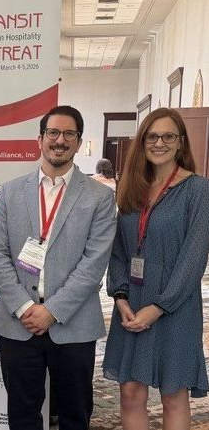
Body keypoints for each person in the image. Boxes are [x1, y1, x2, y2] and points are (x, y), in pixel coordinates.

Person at [0, 105, 116, 430]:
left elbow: (94, 264)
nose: (60, 140)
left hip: (74, 324)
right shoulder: (10, 191)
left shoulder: (100, 197)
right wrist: (25, 307)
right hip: (19, 322)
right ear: (40, 139)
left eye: (69, 134)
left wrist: (52, 311)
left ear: (78, 142)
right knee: (22, 417)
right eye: (53, 133)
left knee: (75, 416)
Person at [103, 108, 209, 430]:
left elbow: (194, 257)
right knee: (130, 393)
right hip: (132, 304)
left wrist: (160, 306)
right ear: (142, 142)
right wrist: (120, 297)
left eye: (168, 136)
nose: (159, 143)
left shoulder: (197, 189)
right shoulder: (131, 187)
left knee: (173, 395)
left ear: (180, 142)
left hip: (175, 306)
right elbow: (119, 250)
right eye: (152, 136)